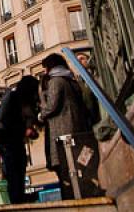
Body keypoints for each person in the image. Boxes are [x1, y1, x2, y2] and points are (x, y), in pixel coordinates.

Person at [40, 53, 92, 200]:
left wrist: (41, 112)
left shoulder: (55, 82)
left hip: (62, 130)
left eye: (45, 68)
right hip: (78, 128)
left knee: (66, 170)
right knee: (79, 167)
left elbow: (51, 106)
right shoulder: (71, 80)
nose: (45, 72)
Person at [0, 75, 40, 204]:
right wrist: (24, 130)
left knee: (19, 170)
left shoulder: (19, 99)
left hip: (15, 141)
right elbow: (6, 121)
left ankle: (18, 198)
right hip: (9, 141)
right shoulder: (13, 98)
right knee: (14, 172)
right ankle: (17, 200)